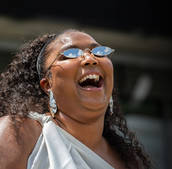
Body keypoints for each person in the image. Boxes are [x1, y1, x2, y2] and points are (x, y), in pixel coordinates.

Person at [0, 29, 152, 169]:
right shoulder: (18, 133)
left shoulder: (130, 161)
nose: (90, 59)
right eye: (71, 53)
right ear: (48, 84)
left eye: (99, 52)